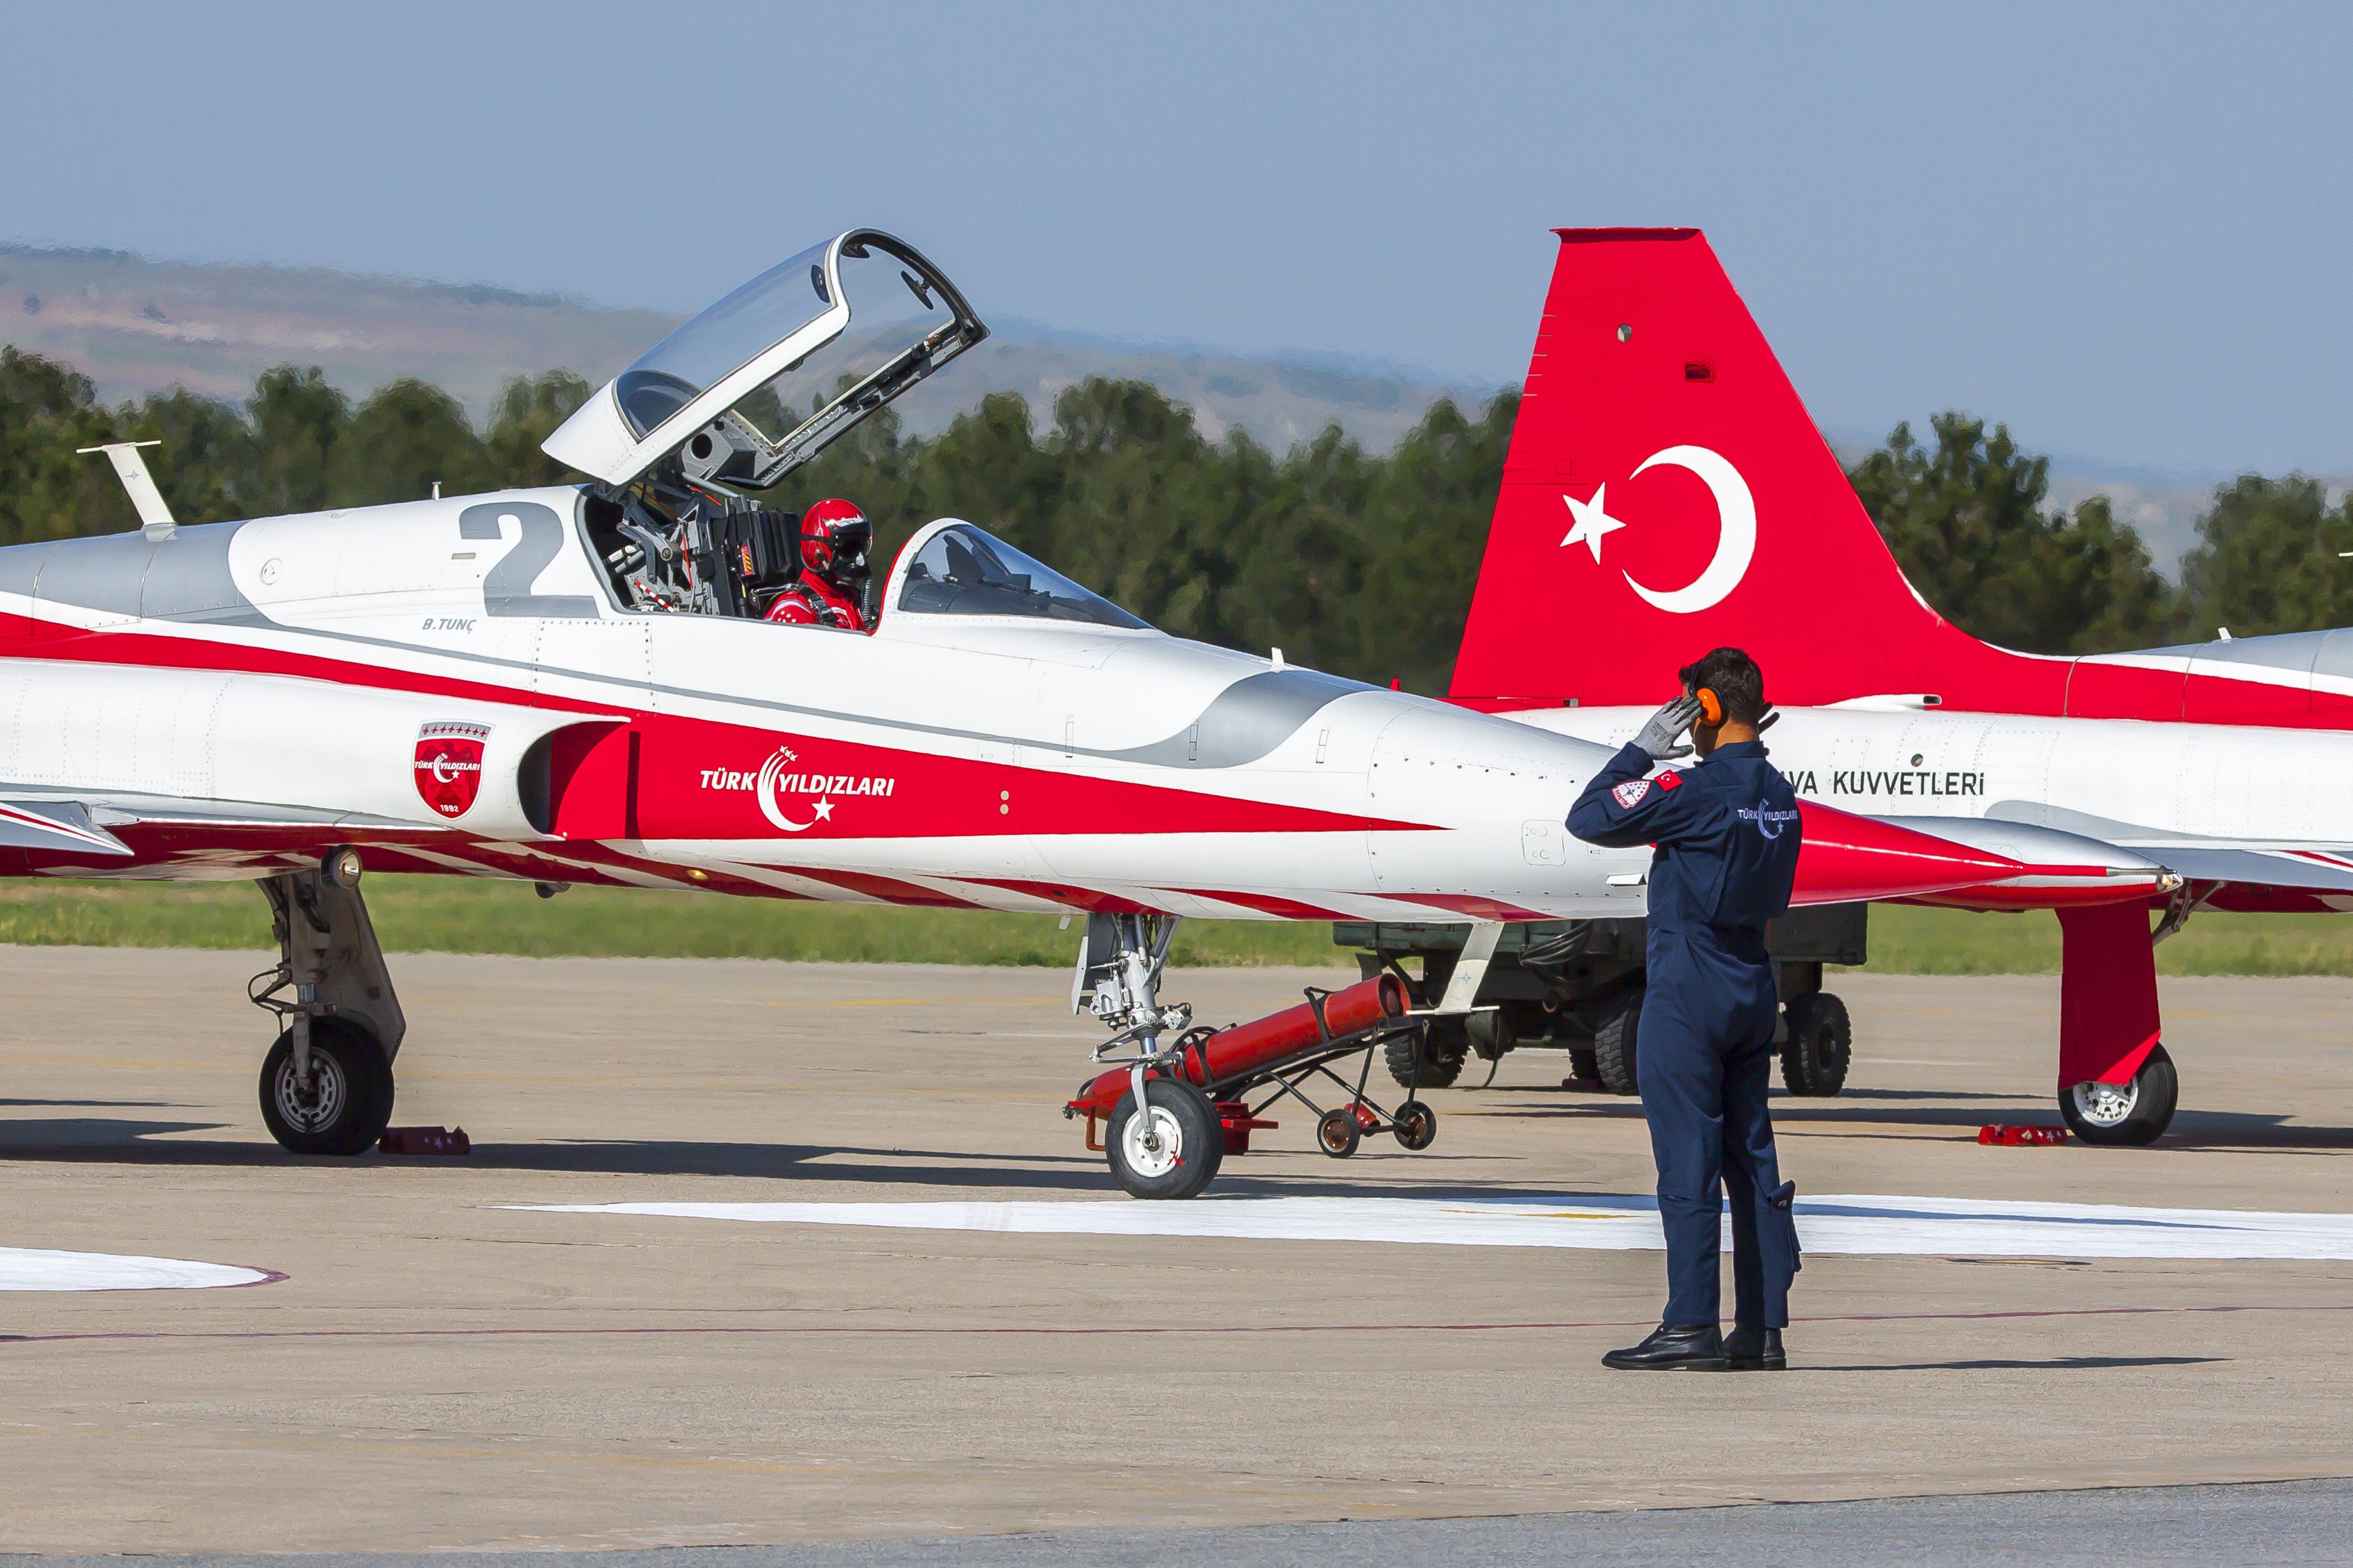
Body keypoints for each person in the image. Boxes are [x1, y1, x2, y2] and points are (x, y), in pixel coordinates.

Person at [1565, 646, 1805, 1372]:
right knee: (1752, 1159)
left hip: (1689, 991)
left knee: (1688, 1162)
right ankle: (1762, 1327)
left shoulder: (1692, 787)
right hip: (1752, 985)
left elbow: (1589, 817)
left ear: (1703, 707)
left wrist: (1641, 750)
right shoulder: (1781, 794)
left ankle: (1689, 1322)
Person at [764, 497, 873, 630]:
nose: (860, 560)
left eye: (861, 546)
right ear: (818, 550)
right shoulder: (794, 611)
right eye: (849, 548)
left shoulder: (857, 603)